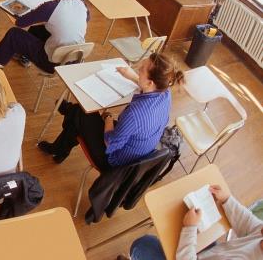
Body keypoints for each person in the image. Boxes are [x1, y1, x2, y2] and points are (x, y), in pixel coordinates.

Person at [38, 53, 183, 170]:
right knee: (78, 116)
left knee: (81, 112)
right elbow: (147, 88)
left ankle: (61, 139)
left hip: (115, 160)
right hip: (138, 149)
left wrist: (107, 117)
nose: (138, 68)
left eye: (142, 69)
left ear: (150, 82)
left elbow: (110, 142)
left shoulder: (135, 114)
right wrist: (131, 76)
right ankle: (60, 148)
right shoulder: (165, 93)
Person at [124, 185, 263, 259]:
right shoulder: (261, 234)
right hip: (214, 254)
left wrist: (189, 228)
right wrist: (227, 200)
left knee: (142, 245)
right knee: (203, 232)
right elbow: (250, 224)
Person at [0, 0, 88, 71]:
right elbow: (86, 19)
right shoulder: (81, 2)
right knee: (39, 28)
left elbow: (20, 23)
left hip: (53, 63)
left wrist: (39, 11)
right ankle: (25, 56)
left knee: (14, 34)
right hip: (75, 58)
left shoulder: (50, 7)